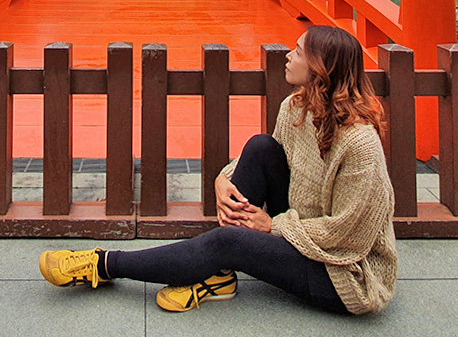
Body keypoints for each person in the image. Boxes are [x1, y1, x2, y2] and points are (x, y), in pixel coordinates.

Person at [38, 24, 397, 314]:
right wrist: (222, 178)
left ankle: (103, 266)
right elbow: (274, 158)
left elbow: (349, 236)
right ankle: (218, 275)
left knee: (228, 241)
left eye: (299, 52)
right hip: (305, 233)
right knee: (260, 147)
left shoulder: (359, 144)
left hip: (342, 273)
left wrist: (273, 225)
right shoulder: (297, 107)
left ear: (322, 68)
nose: (288, 56)